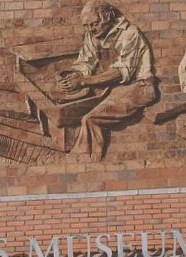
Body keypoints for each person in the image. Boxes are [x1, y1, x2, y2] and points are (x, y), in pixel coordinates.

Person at [58, 1, 157, 159]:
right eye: (87, 26)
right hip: (115, 88)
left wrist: (83, 81)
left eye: (94, 24)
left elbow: (121, 72)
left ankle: (85, 161)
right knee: (77, 110)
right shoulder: (92, 36)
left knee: (90, 119)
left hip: (140, 87)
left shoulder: (129, 33)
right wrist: (74, 75)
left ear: (108, 16)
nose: (91, 29)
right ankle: (79, 158)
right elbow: (85, 62)